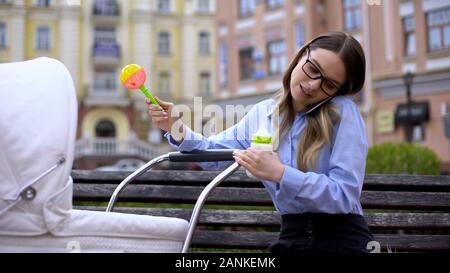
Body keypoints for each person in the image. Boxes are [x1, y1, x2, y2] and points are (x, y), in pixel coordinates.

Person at [147, 31, 373, 253]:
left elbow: (344, 194)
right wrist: (176, 127)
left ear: (338, 91)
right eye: (312, 69)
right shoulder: (264, 113)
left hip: (342, 238)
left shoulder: (343, 112)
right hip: (292, 237)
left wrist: (281, 173)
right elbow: (216, 153)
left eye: (329, 85)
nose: (314, 85)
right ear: (300, 56)